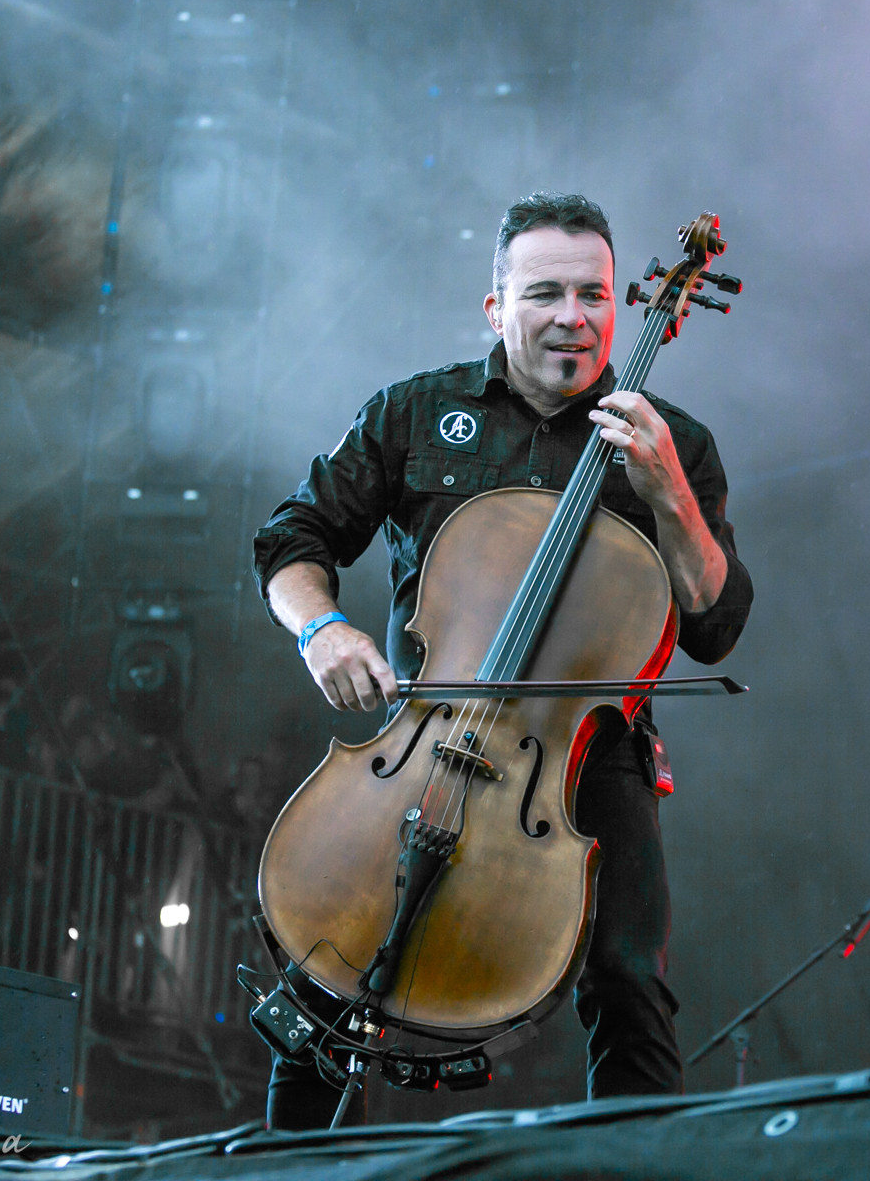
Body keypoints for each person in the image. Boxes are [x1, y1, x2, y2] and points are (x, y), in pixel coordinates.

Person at [252, 192, 753, 1125]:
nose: (574, 316)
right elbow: (293, 540)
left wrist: (671, 495)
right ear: (497, 308)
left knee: (629, 979)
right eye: (546, 293)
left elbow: (715, 626)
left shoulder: (671, 440)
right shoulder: (414, 412)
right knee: (322, 961)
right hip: (429, 732)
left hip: (579, 756)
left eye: (596, 295)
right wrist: (324, 629)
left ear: (621, 304)